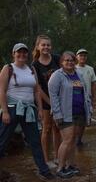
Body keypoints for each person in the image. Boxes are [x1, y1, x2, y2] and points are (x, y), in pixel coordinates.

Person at [0, 43, 54, 180]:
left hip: (29, 110)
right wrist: (5, 111)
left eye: (24, 52)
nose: (22, 55)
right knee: (2, 140)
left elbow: (36, 91)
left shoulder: (31, 69)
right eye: (19, 52)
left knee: (35, 141)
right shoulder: (8, 69)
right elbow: (2, 91)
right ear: (13, 54)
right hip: (12, 109)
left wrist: (40, 110)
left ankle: (44, 170)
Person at [48, 51, 91, 178]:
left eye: (72, 60)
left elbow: (85, 93)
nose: (70, 62)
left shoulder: (78, 74)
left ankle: (70, 165)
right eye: (66, 60)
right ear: (61, 62)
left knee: (73, 140)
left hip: (79, 112)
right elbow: (53, 96)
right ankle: (60, 168)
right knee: (67, 140)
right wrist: (57, 113)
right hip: (65, 113)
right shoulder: (57, 75)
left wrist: (89, 108)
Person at [32, 35, 61, 168]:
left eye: (48, 45)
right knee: (46, 129)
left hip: (59, 99)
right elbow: (37, 87)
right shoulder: (35, 65)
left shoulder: (56, 59)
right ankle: (46, 159)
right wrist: (50, 102)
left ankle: (57, 157)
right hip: (44, 101)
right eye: (43, 45)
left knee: (57, 128)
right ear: (38, 46)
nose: (46, 47)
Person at [75, 48, 96, 146]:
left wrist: (94, 100)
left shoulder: (90, 69)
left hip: (87, 99)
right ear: (77, 57)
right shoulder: (73, 68)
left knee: (85, 121)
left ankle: (79, 140)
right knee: (75, 121)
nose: (83, 57)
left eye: (84, 55)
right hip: (76, 99)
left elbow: (93, 85)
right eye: (81, 55)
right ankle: (74, 140)